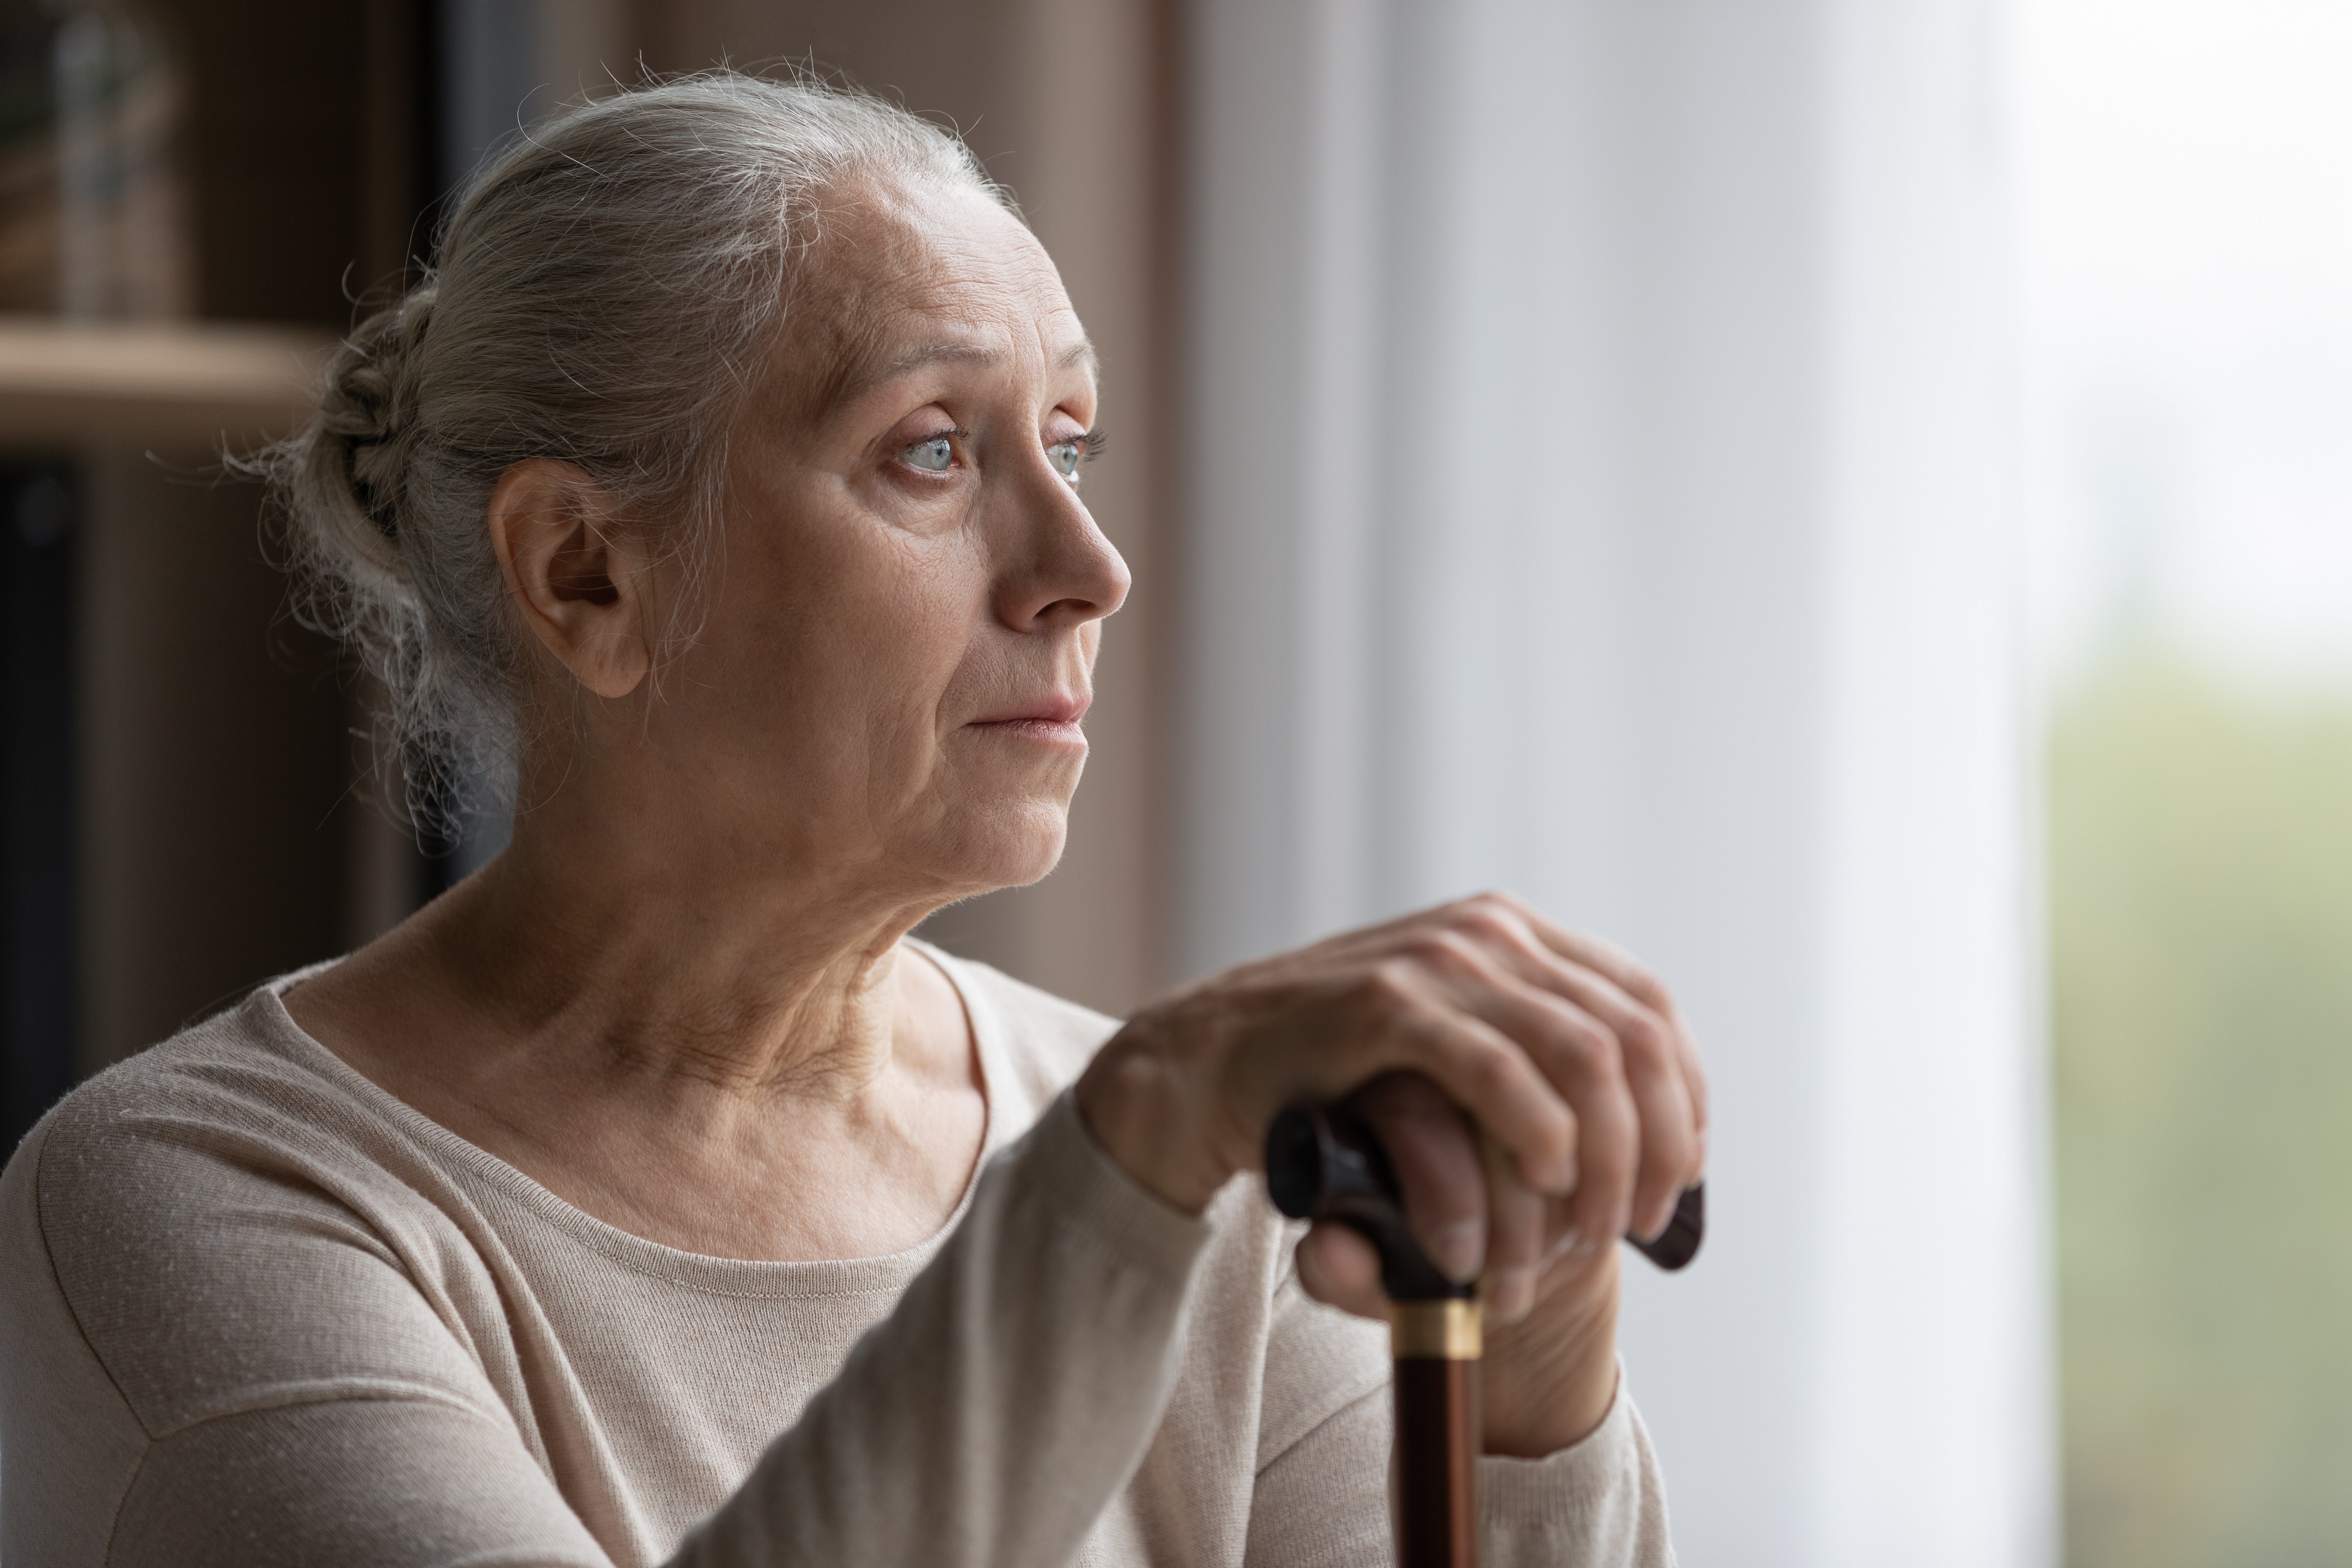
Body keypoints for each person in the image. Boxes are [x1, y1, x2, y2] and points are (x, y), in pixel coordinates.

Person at [0, 72, 1707, 1567]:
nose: (1088, 569)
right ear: (587, 574)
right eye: (933, 452)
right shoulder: (200, 1202)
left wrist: (1537, 1389)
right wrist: (1122, 1167)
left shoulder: (1206, 1181)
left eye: (1068, 441)